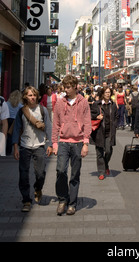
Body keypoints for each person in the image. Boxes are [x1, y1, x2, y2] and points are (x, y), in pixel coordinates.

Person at [52, 74, 91, 216]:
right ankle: (63, 199)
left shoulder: (83, 102)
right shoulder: (60, 103)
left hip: (78, 142)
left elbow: (87, 123)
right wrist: (54, 143)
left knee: (75, 174)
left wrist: (86, 143)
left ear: (75, 87)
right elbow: (55, 124)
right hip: (63, 142)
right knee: (60, 170)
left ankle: (72, 203)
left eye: (68, 87)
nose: (66, 90)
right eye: (64, 87)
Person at [12, 86, 52, 212]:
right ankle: (26, 201)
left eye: (34, 95)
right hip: (25, 146)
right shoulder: (21, 111)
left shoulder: (42, 110)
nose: (32, 97)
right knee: (23, 175)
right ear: (25, 97)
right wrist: (15, 147)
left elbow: (49, 127)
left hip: (39, 145)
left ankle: (37, 188)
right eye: (29, 95)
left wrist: (50, 144)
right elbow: (16, 130)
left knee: (40, 173)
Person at [90, 87, 119, 180]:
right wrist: (96, 116)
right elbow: (90, 115)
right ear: (102, 94)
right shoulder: (96, 104)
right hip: (99, 132)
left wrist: (114, 125)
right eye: (106, 92)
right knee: (99, 153)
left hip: (109, 132)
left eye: (109, 92)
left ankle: (106, 164)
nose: (108, 94)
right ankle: (101, 172)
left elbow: (116, 116)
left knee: (108, 150)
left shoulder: (113, 105)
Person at [6, 90, 23, 155]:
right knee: (15, 134)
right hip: (15, 120)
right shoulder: (19, 105)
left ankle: (8, 150)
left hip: (8, 119)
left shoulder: (7, 103)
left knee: (8, 135)